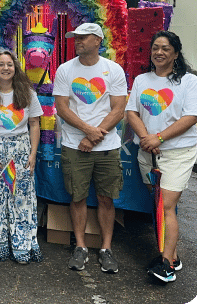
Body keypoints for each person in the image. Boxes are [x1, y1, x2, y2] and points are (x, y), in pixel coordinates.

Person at [125, 31, 197, 283]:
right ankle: (174, 255)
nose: (159, 52)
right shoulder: (141, 80)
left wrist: (159, 138)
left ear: (176, 53)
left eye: (166, 48)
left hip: (177, 152)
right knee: (157, 201)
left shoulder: (189, 82)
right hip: (147, 152)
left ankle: (165, 265)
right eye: (155, 47)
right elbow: (132, 112)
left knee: (166, 206)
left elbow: (191, 117)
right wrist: (148, 138)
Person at [53, 22, 127, 274]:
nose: (78, 41)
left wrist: (94, 137)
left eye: (84, 38)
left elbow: (118, 108)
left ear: (97, 40)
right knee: (78, 196)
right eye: (76, 38)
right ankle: (81, 246)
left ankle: (106, 249)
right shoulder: (65, 70)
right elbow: (62, 108)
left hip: (106, 147)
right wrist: (88, 131)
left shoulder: (113, 69)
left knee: (106, 198)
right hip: (75, 145)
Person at [0, 51, 43, 264]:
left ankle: (23, 246)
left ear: (15, 68)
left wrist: (33, 154)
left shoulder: (27, 93)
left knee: (21, 198)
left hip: (21, 149)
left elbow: (34, 123)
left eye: (9, 64)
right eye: (1, 65)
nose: (6, 68)